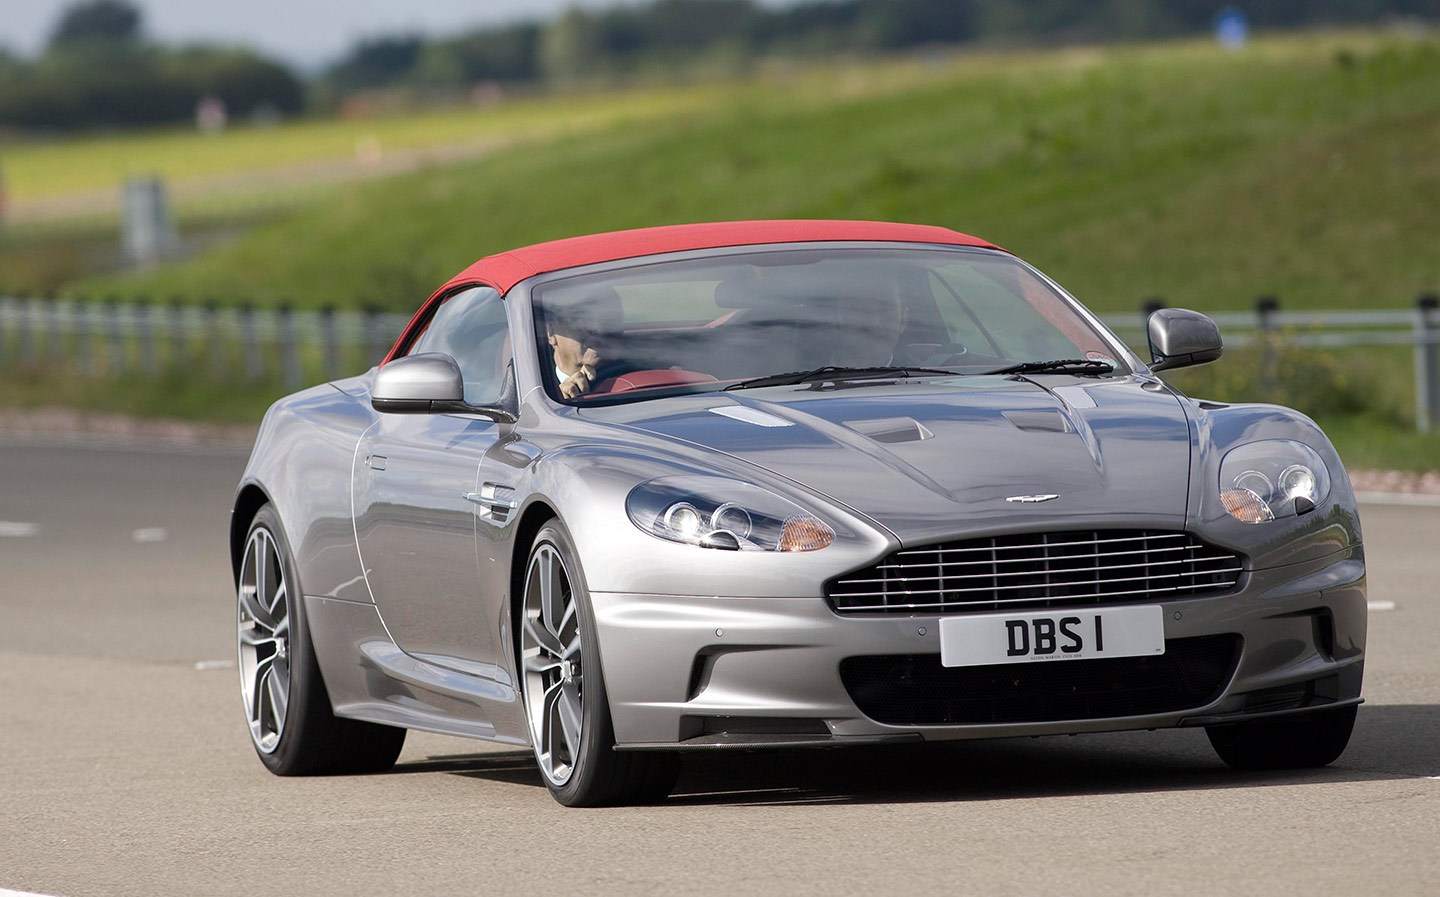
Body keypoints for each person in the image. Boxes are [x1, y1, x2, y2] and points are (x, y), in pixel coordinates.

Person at [545, 287, 624, 398]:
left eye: (609, 320)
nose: (599, 329)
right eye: (583, 320)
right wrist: (561, 397)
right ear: (551, 332)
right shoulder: (535, 391)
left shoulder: (644, 379)